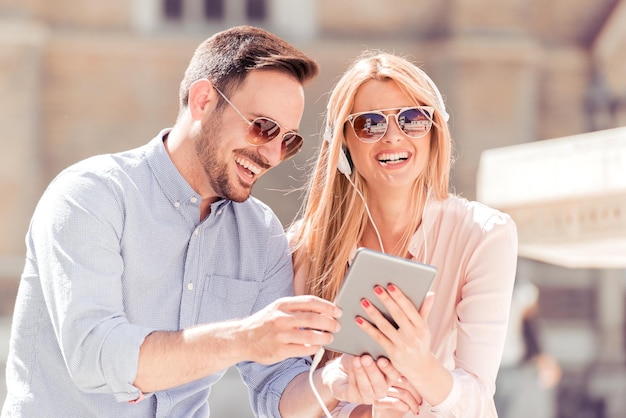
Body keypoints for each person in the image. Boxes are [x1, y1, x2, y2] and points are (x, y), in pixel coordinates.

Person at [1, 25, 348, 418]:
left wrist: (337, 381)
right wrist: (243, 338)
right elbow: (95, 355)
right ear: (203, 101)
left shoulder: (261, 234)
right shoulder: (91, 196)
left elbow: (277, 387)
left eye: (288, 140)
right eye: (262, 127)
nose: (271, 154)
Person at [288, 51, 519, 417]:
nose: (394, 136)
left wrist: (418, 363)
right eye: (370, 123)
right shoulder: (305, 247)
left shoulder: (484, 234)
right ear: (344, 143)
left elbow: (478, 401)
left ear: (433, 132)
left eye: (413, 119)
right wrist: (358, 411)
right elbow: (285, 399)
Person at [495, 277, 561, 418]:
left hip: (512, 366)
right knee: (504, 404)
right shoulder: (515, 310)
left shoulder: (523, 319)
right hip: (506, 365)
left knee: (506, 405)